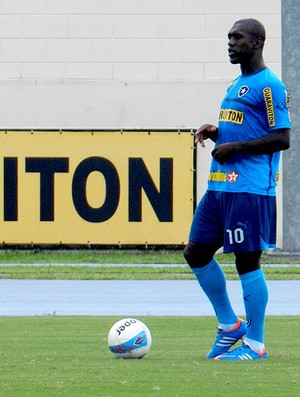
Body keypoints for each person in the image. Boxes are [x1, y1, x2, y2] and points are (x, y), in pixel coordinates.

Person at [183, 18, 291, 360]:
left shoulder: (270, 86)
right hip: (220, 187)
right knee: (196, 253)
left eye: (237, 38)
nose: (230, 43)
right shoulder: (236, 83)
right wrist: (218, 132)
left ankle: (256, 344)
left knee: (247, 262)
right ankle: (230, 325)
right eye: (229, 37)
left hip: (249, 189)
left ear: (257, 43)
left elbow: (282, 137)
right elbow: (244, 128)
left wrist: (237, 148)